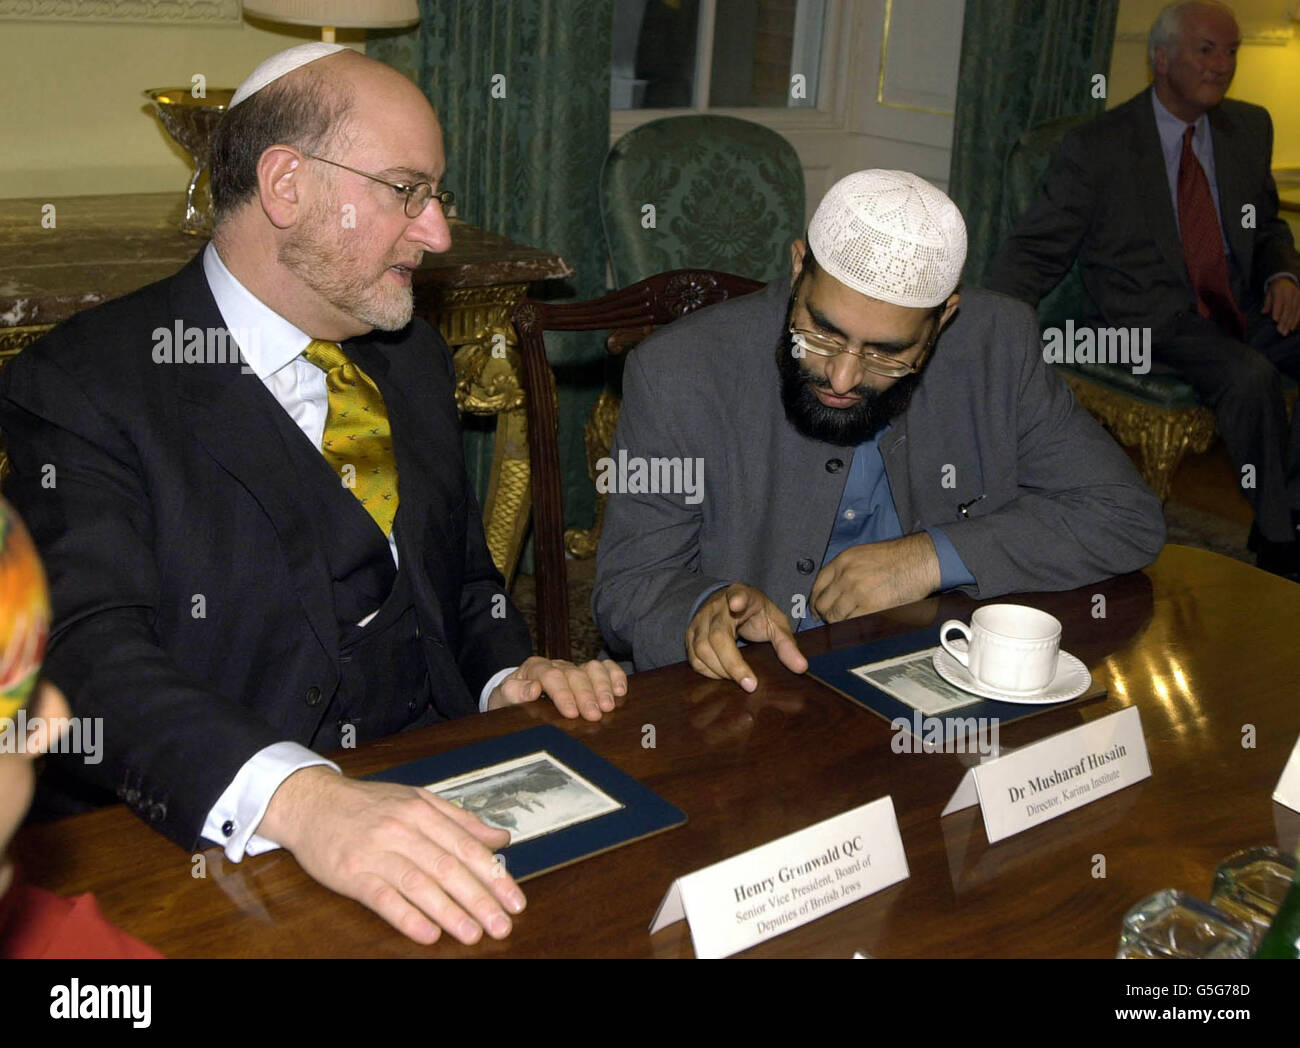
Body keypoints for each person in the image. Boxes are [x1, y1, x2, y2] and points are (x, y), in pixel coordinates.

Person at [0, 43, 626, 947]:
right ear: (286, 185)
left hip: (442, 798)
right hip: (219, 847)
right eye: (407, 191)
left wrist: (503, 671)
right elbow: (88, 656)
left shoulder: (407, 354)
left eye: (436, 196)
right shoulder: (88, 383)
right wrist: (303, 800)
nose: (439, 232)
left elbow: (462, 572)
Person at [593, 169, 1165, 683]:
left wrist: (928, 557)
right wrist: (706, 608)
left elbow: (1124, 516)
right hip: (758, 695)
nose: (842, 377)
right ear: (798, 268)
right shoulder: (679, 370)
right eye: (821, 334)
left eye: (886, 355)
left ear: (943, 320)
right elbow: (628, 587)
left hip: (940, 673)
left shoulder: (997, 344)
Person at [989, 1, 1300, 576]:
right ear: (1161, 59)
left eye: (1232, 51)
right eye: (1207, 50)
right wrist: (990, 323)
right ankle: (1282, 544)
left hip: (1238, 301)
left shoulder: (1249, 126)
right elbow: (1038, 248)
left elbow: (1269, 223)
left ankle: (1289, 509)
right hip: (1151, 319)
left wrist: (1283, 273)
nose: (1223, 65)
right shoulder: (1101, 146)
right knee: (1250, 375)